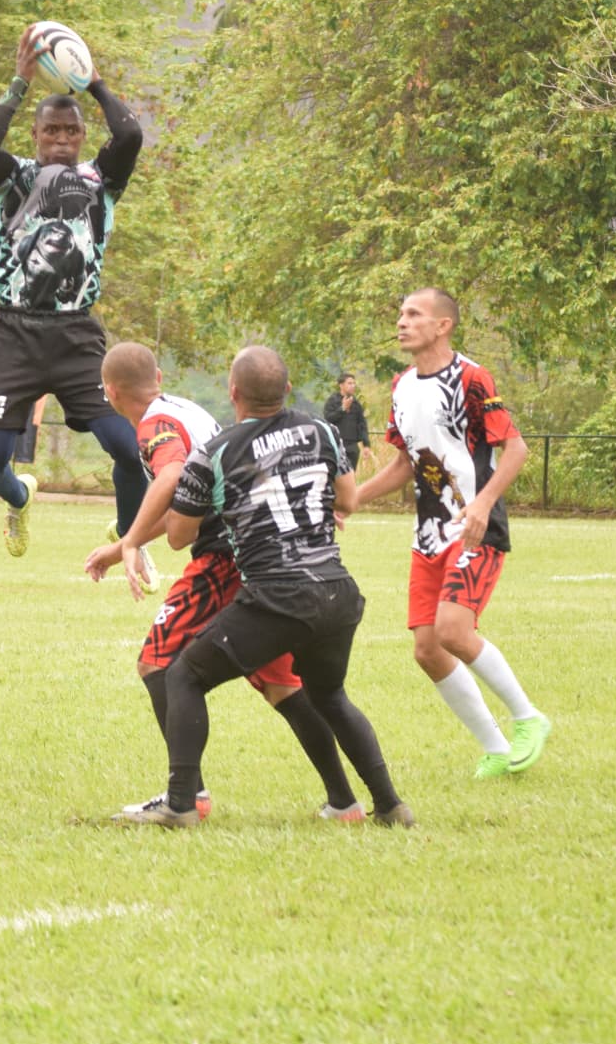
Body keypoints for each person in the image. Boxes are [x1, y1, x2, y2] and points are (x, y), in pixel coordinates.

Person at [119, 347, 411, 827]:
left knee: (182, 675)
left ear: (232, 393)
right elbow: (347, 501)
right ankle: (388, 806)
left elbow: (179, 536)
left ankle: (181, 804)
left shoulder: (214, 452)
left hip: (277, 594)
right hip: (337, 590)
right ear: (289, 390)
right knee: (329, 696)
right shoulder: (323, 430)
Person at [0, 25, 150, 563]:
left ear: (82, 136)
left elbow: (131, 137)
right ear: (36, 136)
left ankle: (127, 537)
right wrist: (19, 82)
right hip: (14, 334)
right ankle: (20, 497)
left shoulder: (101, 179)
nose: (63, 139)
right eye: (52, 131)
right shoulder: (13, 179)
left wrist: (93, 82)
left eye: (72, 131)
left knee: (128, 446)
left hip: (76, 336)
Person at [352, 289, 552, 779]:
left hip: (474, 531)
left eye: (413, 314)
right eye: (400, 314)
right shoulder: (401, 387)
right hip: (428, 536)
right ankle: (497, 748)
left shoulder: (471, 377)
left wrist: (483, 503)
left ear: (443, 326)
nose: (401, 322)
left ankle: (528, 718)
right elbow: (405, 464)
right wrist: (351, 499)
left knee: (453, 631)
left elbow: (517, 449)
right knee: (427, 649)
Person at [321, 372, 373, 477]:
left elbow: (362, 425)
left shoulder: (356, 404)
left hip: (352, 447)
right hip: (336, 446)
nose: (353, 386)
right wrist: (343, 409)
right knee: (336, 477)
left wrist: (366, 445)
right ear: (341, 385)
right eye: (349, 383)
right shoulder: (332, 401)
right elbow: (328, 418)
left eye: (353, 383)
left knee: (351, 476)